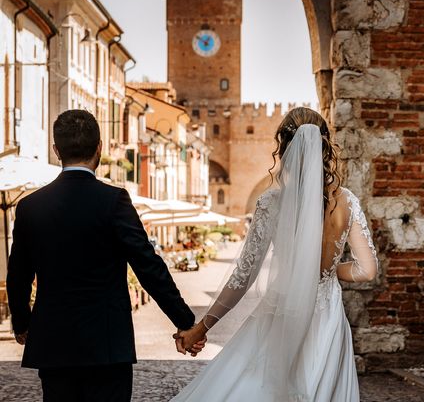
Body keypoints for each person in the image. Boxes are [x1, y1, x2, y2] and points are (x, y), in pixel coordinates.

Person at [172, 107, 378, 401]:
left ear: (284, 148)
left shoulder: (271, 203)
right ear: (324, 147)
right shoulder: (347, 201)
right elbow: (366, 270)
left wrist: (200, 328)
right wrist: (329, 270)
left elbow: (242, 278)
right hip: (328, 319)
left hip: (284, 313)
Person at [6, 110, 206, 402]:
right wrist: (186, 322)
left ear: (56, 150)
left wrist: (23, 323)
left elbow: (18, 276)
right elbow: (148, 266)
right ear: (99, 147)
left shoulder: (30, 207)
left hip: (54, 344)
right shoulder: (114, 201)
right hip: (107, 344)